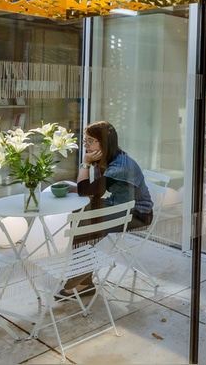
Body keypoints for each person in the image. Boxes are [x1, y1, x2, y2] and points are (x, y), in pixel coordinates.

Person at [59, 120, 153, 297]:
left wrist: (85, 163)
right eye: (85, 140)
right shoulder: (106, 159)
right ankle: (80, 276)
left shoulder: (119, 167)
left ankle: (81, 282)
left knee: (84, 229)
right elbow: (91, 193)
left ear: (104, 143)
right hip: (118, 205)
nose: (85, 145)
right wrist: (76, 188)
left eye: (90, 141)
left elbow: (87, 191)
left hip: (137, 214)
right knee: (79, 219)